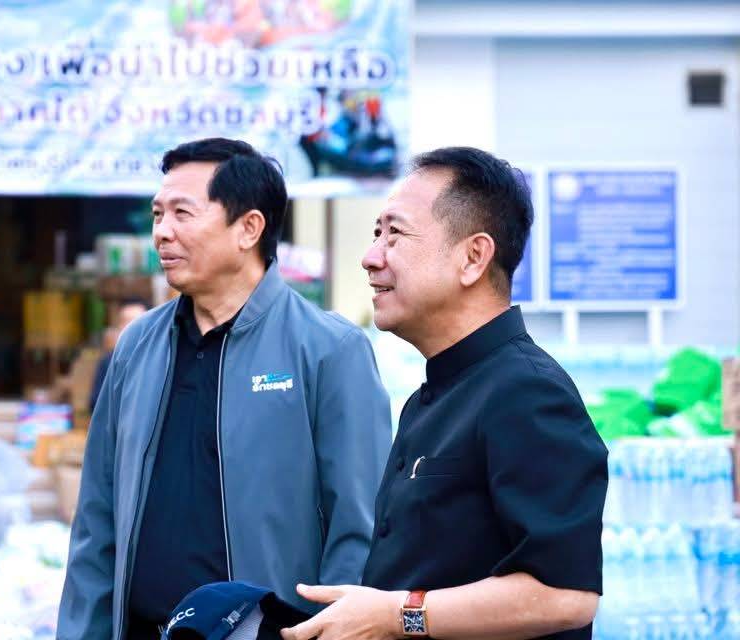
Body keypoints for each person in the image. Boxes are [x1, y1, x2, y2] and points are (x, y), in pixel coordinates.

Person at [58, 138, 391, 640]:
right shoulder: (136, 347)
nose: (162, 232)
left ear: (249, 228)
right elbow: (96, 520)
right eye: (157, 214)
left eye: (182, 213)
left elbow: (360, 526)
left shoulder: (329, 350)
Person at [281, 147, 608, 640]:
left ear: (473, 257)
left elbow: (564, 595)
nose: (371, 257)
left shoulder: (527, 391)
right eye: (376, 234)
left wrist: (397, 615)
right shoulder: (431, 396)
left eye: (395, 234)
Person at [88, 298, 150, 411]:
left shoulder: (161, 358)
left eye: (137, 322)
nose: (130, 327)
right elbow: (96, 403)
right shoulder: (109, 362)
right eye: (125, 322)